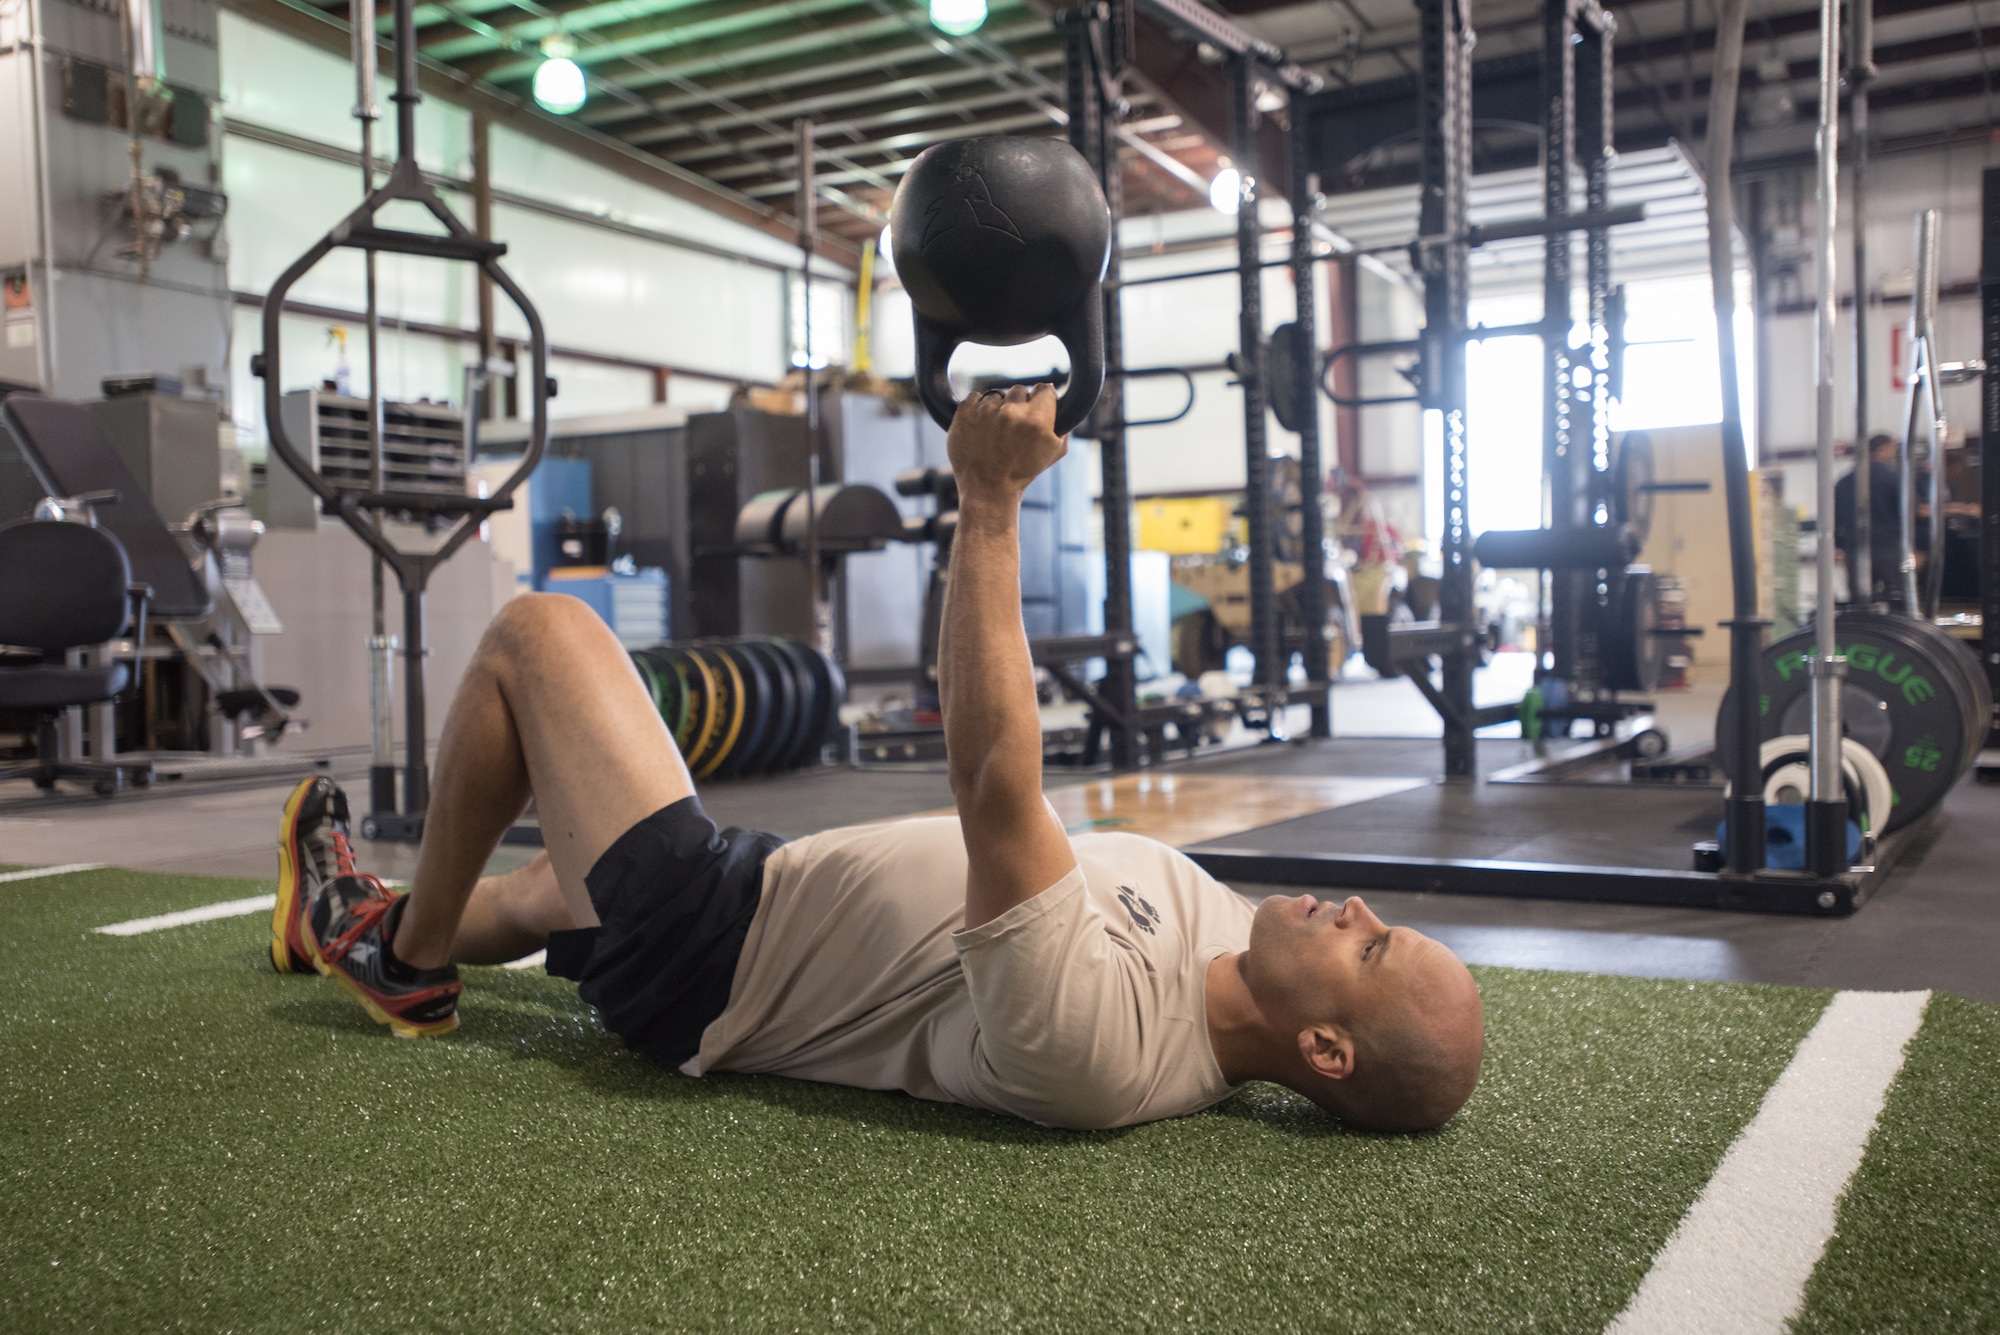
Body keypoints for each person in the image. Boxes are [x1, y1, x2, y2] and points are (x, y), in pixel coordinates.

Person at [268, 384, 1485, 1134]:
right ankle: (349, 918)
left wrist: (989, 502)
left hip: (708, 956)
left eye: (1369, 946)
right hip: (764, 895)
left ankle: (405, 963)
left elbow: (995, 786)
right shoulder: (1224, 931)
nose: (1357, 909)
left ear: (1322, 1049)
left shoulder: (1101, 1050)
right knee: (532, 893)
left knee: (538, 636)